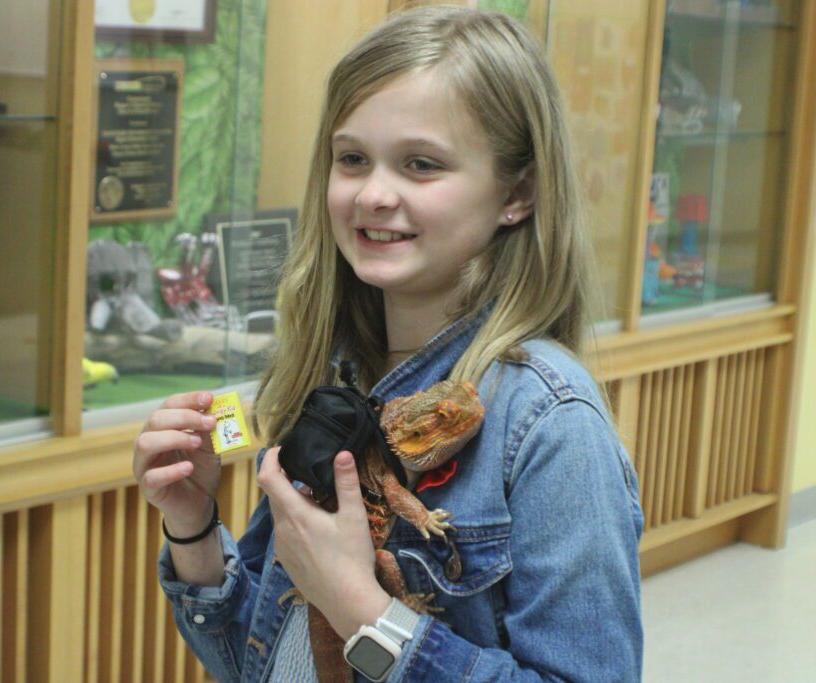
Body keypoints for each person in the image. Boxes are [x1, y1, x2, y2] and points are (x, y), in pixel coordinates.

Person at [133, 5, 644, 681]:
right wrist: (194, 526)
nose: (373, 193)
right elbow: (269, 661)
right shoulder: (330, 376)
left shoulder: (550, 422)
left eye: (421, 164)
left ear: (517, 192)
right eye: (352, 159)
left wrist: (361, 608)